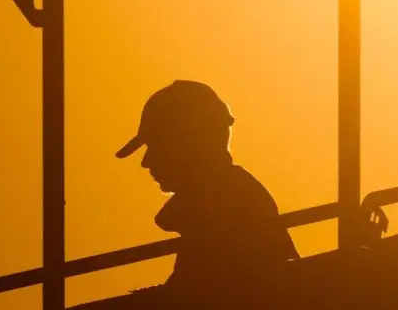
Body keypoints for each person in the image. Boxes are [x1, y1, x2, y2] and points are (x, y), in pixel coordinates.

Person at [116, 81, 298, 291]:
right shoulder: (218, 199)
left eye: (157, 145)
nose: (146, 162)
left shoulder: (223, 204)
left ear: (191, 143)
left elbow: (201, 297)